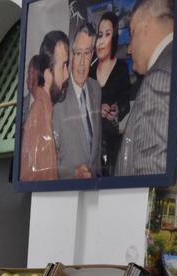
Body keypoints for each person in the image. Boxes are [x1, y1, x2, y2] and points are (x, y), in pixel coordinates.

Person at [115, 0, 175, 177]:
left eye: (132, 33)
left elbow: (151, 173)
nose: (129, 49)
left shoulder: (159, 77)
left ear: (146, 25)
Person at [53, 22, 102, 179]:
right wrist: (74, 173)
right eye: (77, 53)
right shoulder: (57, 96)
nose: (81, 62)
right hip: (67, 193)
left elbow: (96, 148)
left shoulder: (96, 89)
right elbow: (48, 161)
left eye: (87, 53)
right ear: (70, 55)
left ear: (93, 54)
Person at [20, 31, 69, 182]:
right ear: (48, 74)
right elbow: (37, 181)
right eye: (63, 67)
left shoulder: (45, 110)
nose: (67, 75)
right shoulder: (39, 115)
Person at [95, 11, 131, 175]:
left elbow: (125, 101)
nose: (101, 41)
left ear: (114, 38)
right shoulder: (88, 71)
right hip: (90, 145)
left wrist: (117, 109)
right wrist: (96, 109)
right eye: (99, 35)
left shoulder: (121, 68)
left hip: (111, 145)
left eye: (107, 34)